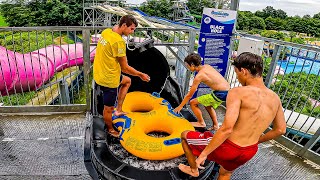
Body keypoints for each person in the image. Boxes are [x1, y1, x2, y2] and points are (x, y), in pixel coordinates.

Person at [178, 52, 287, 179]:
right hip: (249, 151)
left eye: (237, 73)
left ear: (244, 71)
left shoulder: (237, 92)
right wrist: (258, 140)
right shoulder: (275, 98)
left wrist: (204, 154)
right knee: (226, 172)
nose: (238, 78)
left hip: (228, 147)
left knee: (184, 135)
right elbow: (280, 130)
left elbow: (226, 128)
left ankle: (193, 170)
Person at [93, 15, 150, 138]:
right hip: (109, 79)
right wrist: (140, 74)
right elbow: (125, 68)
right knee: (108, 108)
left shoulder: (107, 32)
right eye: (131, 29)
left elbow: (115, 28)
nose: (132, 32)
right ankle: (110, 129)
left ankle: (119, 110)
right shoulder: (119, 42)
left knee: (127, 81)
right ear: (124, 26)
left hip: (99, 72)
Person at [173, 53, 230, 130]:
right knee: (207, 105)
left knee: (193, 102)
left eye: (187, 65)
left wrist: (180, 107)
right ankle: (216, 125)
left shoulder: (199, 76)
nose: (187, 68)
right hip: (226, 91)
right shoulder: (207, 66)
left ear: (192, 64)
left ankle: (201, 123)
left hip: (220, 93)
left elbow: (190, 95)